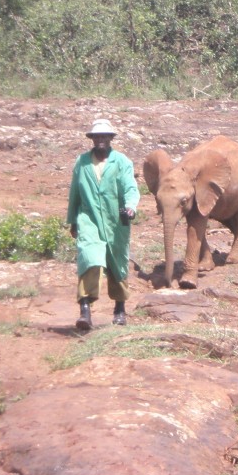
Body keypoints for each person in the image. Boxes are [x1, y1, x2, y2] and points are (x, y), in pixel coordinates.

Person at [66, 118, 139, 330]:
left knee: (118, 263)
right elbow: (75, 193)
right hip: (88, 219)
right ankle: (85, 310)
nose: (100, 140)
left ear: (110, 138)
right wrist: (73, 221)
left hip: (116, 220)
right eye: (96, 136)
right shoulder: (82, 162)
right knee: (91, 259)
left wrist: (131, 207)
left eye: (104, 136)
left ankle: (119, 308)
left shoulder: (122, 161)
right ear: (91, 138)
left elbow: (130, 188)